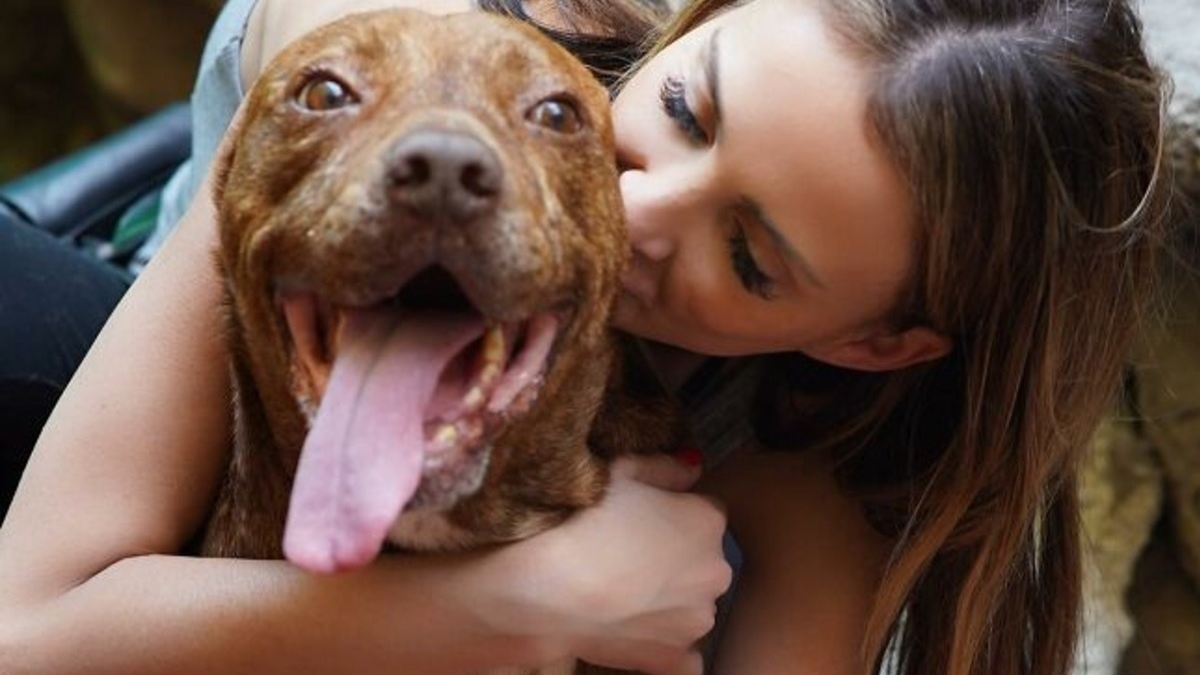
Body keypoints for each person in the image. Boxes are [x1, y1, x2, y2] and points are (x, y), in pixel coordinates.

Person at [0, 0, 1169, 673]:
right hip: (106, 393)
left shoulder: (816, 454)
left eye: (751, 259)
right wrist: (522, 597)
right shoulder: (389, 42)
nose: (633, 209)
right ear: (707, 15)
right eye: (684, 111)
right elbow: (28, 629)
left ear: (871, 342)